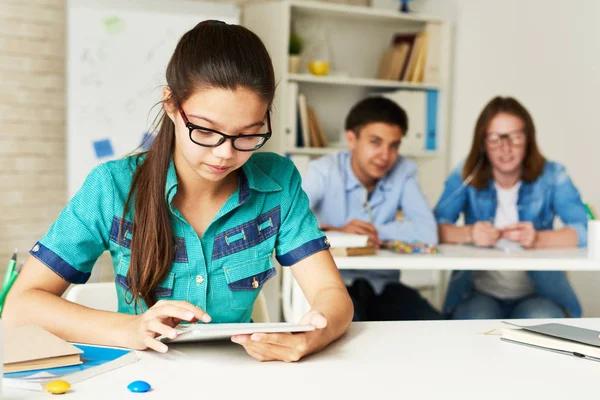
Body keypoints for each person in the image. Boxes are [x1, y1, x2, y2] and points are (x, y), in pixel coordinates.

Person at [3, 21, 353, 362]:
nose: (225, 153)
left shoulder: (278, 181)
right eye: (205, 130)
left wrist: (312, 336)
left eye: (248, 134)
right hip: (142, 375)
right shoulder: (112, 187)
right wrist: (129, 329)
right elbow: (21, 306)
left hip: (241, 379)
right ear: (171, 104)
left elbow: (330, 294)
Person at [434, 96, 587, 319]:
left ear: (528, 140)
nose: (505, 149)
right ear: (483, 142)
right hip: (477, 293)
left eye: (515, 138)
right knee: (475, 324)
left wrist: (538, 240)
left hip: (538, 294)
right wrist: (469, 233)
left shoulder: (553, 175)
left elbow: (587, 230)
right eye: (495, 138)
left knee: (542, 322)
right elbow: (431, 228)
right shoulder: (466, 173)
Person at [302, 96, 441, 321]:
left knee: (437, 326)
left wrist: (372, 233)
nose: (385, 156)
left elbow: (427, 233)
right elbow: (289, 222)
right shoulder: (324, 171)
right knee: (345, 331)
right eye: (375, 142)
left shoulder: (404, 171)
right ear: (351, 139)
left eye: (394, 146)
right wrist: (339, 233)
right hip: (335, 285)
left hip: (383, 286)